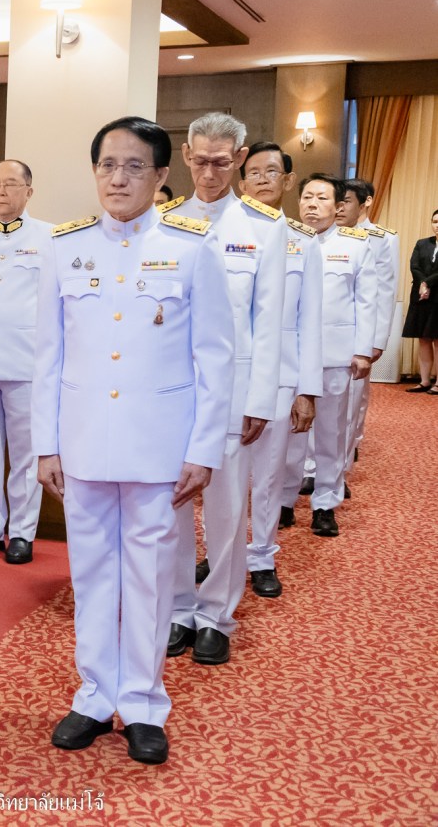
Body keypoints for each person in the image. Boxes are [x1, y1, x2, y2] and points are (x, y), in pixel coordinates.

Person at [37, 116, 234, 766]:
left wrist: (204, 449)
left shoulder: (191, 246)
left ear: (160, 176)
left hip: (158, 447)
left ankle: (145, 702)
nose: (118, 177)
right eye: (106, 165)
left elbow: (216, 357)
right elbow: (49, 357)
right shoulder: (64, 248)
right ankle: (95, 694)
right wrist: (47, 444)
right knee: (92, 576)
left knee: (149, 579)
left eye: (133, 166)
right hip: (85, 442)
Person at [164, 113, 285, 668]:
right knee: (170, 506)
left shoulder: (264, 227)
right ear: (186, 156)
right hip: (171, 390)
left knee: (225, 507)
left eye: (221, 161)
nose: (209, 171)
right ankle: (178, 608)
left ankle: (216, 614)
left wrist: (262, 400)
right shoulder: (163, 221)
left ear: (238, 159)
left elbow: (270, 320)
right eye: (199, 159)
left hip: (234, 391)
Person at [237, 142, 321, 598]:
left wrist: (307, 389)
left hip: (281, 374)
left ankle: (261, 554)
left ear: (288, 180)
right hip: (227, 374)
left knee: (268, 473)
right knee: (221, 474)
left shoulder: (302, 242)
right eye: (254, 172)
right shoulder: (217, 231)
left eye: (273, 171)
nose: (263, 178)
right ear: (241, 179)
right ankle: (220, 551)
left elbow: (310, 319)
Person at [0, 159, 52, 565]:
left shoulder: (50, 238)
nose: (1, 191)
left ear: (29, 192)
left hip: (27, 362)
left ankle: (22, 531)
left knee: (26, 451)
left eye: (11, 184)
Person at [285, 175, 377, 538]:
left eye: (321, 198)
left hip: (334, 355)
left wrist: (362, 351)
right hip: (289, 355)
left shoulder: (355, 246)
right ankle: (284, 499)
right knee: (288, 435)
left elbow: (366, 301)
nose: (311, 204)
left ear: (338, 206)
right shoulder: (284, 241)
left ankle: (325, 503)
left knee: (330, 433)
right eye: (306, 196)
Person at [342, 178, 398, 478]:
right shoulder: (324, 233)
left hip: (362, 328)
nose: (340, 206)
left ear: (365, 202)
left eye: (348, 200)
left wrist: (378, 339)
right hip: (332, 327)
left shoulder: (382, 238)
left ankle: (352, 443)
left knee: (356, 395)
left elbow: (385, 291)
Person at [401, 209, 438, 391]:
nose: (437, 225)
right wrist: (422, 284)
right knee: (423, 339)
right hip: (421, 296)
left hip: (437, 296)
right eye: (435, 221)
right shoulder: (422, 243)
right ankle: (424, 381)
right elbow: (414, 265)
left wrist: (427, 283)